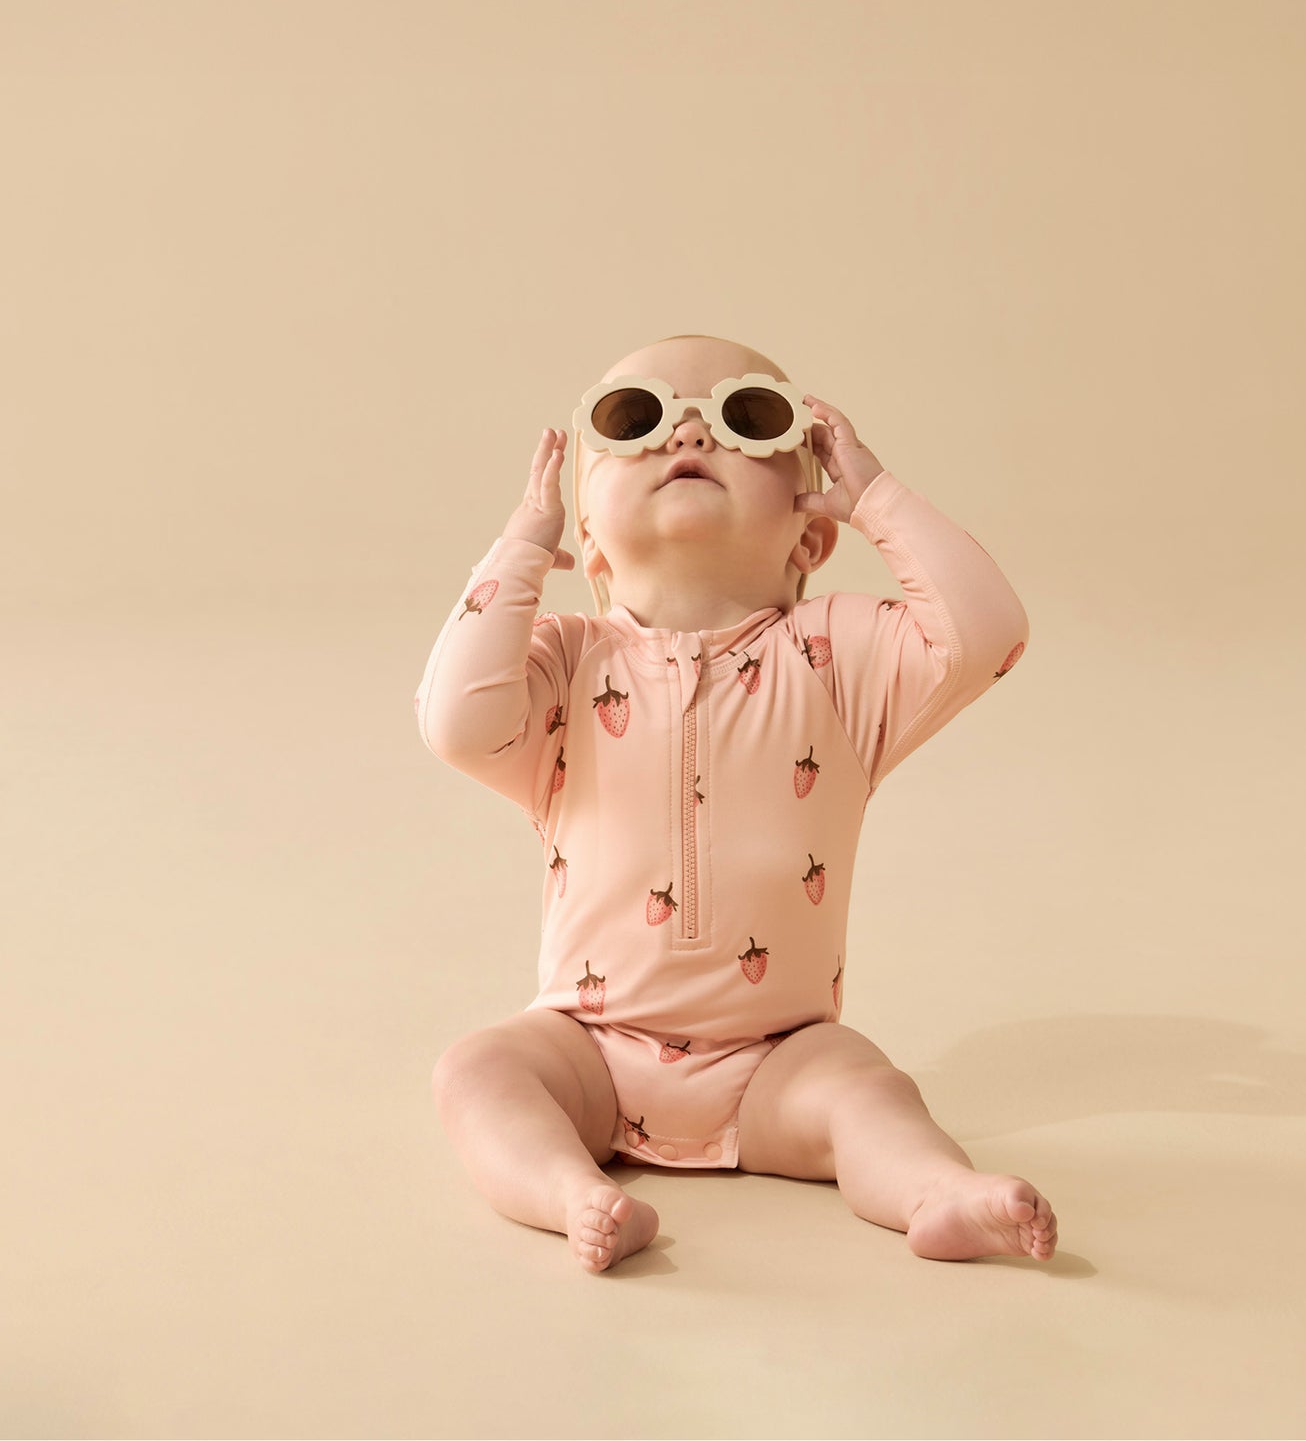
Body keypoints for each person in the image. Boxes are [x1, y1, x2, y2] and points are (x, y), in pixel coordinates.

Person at [416, 333, 1057, 1273]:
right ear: (587, 537)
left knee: (869, 1093)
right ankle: (571, 1192)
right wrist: (518, 550)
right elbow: (455, 722)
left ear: (809, 533)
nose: (686, 429)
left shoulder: (838, 658)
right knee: (477, 1071)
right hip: (587, 1050)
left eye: (745, 418)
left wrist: (878, 496)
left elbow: (986, 633)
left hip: (778, 1061)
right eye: (632, 420)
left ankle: (939, 1192)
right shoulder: (561, 659)